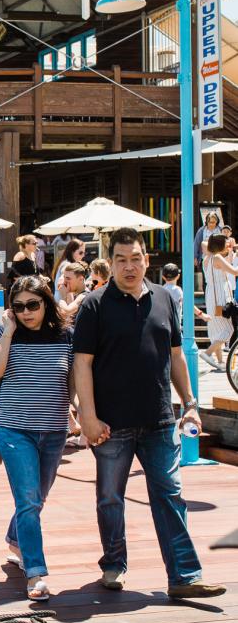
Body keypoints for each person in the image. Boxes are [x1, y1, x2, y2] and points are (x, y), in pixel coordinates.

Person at [73, 227, 225, 599]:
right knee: (110, 497)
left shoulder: (163, 299)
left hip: (159, 418)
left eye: (136, 258)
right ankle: (114, 562)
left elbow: (175, 356)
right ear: (110, 264)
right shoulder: (94, 304)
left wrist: (189, 404)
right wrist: (87, 417)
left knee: (170, 494)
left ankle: (184, 576)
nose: (129, 267)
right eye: (121, 260)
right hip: (111, 423)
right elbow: (82, 363)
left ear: (146, 260)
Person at [0, 275, 74, 601]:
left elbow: (73, 380)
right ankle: (35, 572)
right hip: (13, 428)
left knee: (37, 498)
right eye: (18, 306)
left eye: (32, 305)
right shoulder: (7, 333)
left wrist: (81, 415)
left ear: (46, 303)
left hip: (53, 430)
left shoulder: (66, 336)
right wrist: (8, 331)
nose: (26, 312)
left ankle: (15, 538)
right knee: (28, 499)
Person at [200, 233, 238, 371]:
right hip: (220, 298)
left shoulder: (207, 258)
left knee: (217, 330)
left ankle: (220, 362)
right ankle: (208, 353)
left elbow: (205, 244)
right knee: (228, 329)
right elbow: (234, 271)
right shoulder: (217, 257)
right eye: (226, 243)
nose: (228, 246)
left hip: (212, 297)